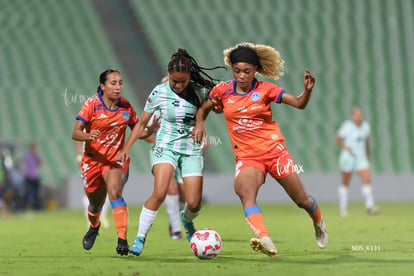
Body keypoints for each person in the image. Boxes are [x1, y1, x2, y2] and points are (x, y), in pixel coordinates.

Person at [193, 42, 328, 257]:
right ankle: (265, 239)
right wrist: (200, 124)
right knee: (245, 192)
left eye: (247, 71)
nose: (242, 76)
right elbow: (203, 110)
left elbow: (299, 103)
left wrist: (307, 91)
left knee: (302, 200)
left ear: (255, 70)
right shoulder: (222, 90)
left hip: (275, 153)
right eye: (237, 71)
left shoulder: (267, 90)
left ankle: (318, 222)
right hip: (248, 157)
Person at [117, 48, 224, 256]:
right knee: (160, 191)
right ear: (169, 73)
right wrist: (125, 148)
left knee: (194, 203)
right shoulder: (159, 92)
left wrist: (202, 120)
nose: (178, 85)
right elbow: (141, 124)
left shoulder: (199, 91)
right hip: (165, 147)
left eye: (183, 81)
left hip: (191, 149)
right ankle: (139, 239)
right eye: (175, 81)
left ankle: (186, 220)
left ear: (189, 77)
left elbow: (215, 107)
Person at [71, 69, 158, 256]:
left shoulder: (125, 106)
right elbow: (75, 133)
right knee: (95, 205)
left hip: (115, 160)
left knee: (115, 191)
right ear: (103, 86)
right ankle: (94, 227)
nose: (118, 87)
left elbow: (138, 131)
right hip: (92, 161)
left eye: (120, 83)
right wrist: (87, 135)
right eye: (113, 83)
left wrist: (150, 128)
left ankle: (122, 239)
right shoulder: (91, 105)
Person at [336, 107, 378, 216]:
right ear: (352, 116)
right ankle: (343, 208)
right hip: (348, 157)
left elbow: (367, 142)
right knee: (345, 182)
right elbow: (338, 139)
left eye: (360, 114)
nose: (359, 116)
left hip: (361, 157)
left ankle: (370, 206)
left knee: (367, 180)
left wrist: (368, 155)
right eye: (357, 114)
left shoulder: (365, 127)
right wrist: (346, 147)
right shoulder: (347, 126)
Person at [76, 141, 111, 229]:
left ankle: (102, 215)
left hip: (103, 157)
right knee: (89, 190)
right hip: (88, 159)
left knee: (106, 188)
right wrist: (79, 157)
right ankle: (90, 219)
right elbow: (79, 140)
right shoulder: (85, 127)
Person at [21, 141, 43, 211]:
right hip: (28, 176)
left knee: (37, 193)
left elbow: (41, 164)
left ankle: (36, 207)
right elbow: (19, 161)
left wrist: (36, 157)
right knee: (27, 192)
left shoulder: (37, 156)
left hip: (35, 177)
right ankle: (26, 207)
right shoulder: (27, 155)